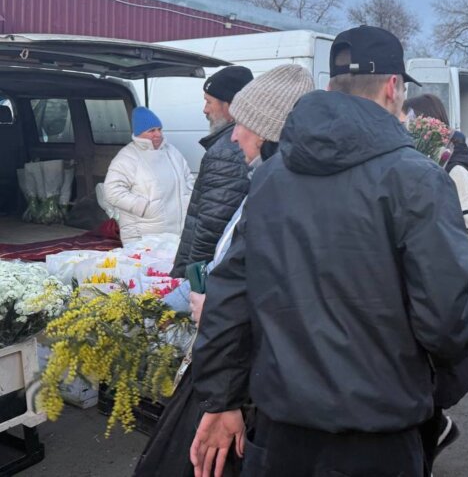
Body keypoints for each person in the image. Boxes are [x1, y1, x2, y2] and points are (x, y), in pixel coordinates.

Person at [189, 25, 468, 477]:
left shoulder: (270, 177)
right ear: (393, 87)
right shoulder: (417, 179)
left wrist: (221, 399)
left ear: (330, 88)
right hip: (379, 433)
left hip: (282, 432)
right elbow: (444, 320)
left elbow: (230, 293)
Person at [134, 64, 315, 477]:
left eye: (244, 125)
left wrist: (207, 297)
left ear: (268, 131)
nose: (234, 135)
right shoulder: (278, 185)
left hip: (250, 383)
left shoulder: (278, 196)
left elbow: (256, 301)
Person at [171, 65, 254, 278]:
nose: (205, 109)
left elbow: (211, 227)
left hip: (213, 275)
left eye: (209, 101)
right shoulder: (231, 147)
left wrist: (194, 281)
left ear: (230, 106)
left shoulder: (227, 152)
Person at [101, 107, 194, 244]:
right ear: (139, 133)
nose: (158, 134)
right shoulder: (127, 157)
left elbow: (188, 179)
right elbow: (112, 191)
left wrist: (187, 200)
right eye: (151, 131)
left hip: (178, 231)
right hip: (144, 234)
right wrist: (144, 207)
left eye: (159, 129)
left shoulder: (171, 152)